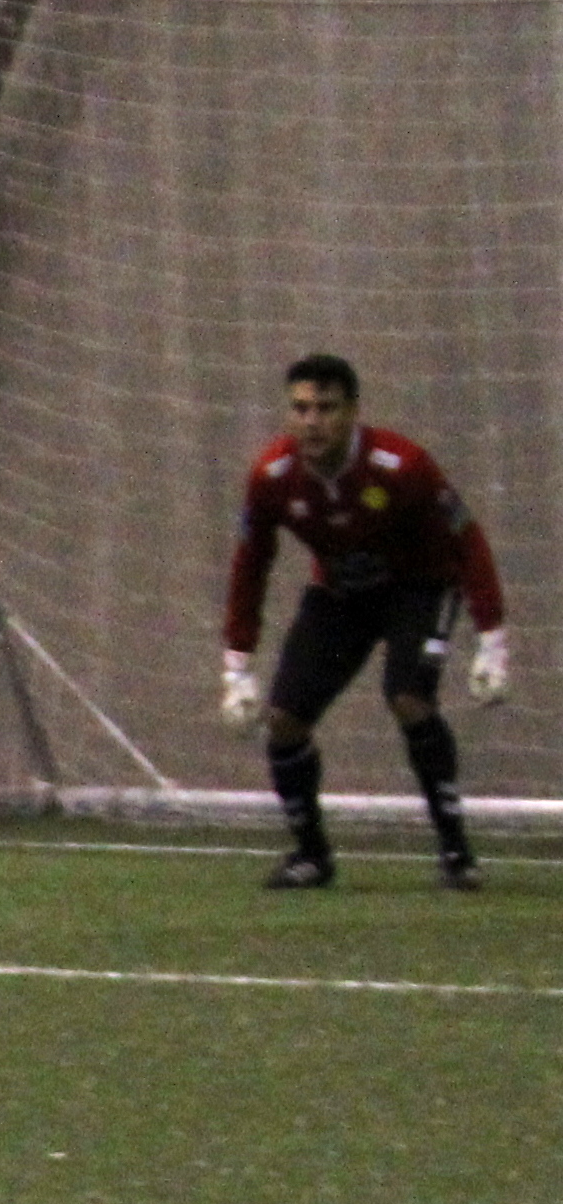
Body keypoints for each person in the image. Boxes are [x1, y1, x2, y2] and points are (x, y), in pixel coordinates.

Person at [219, 352, 510, 889]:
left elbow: (466, 538)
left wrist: (491, 637)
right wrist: (237, 664)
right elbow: (250, 564)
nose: (312, 422)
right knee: (284, 721)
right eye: (300, 409)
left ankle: (456, 854)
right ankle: (311, 857)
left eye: (326, 409)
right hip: (340, 596)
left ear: (353, 411)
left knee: (408, 697)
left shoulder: (402, 465)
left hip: (419, 587)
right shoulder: (272, 477)